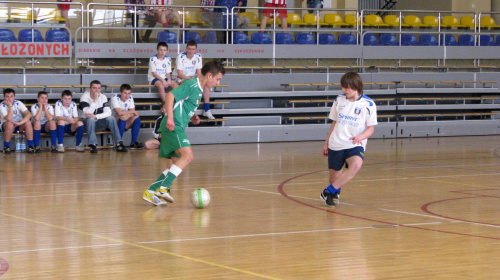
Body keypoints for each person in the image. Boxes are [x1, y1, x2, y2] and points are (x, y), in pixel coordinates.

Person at [142, 60, 225, 206]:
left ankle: (151, 191)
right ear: (210, 75)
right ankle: (163, 189)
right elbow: (170, 96)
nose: (217, 83)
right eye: (218, 79)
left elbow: (182, 104)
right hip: (174, 127)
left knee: (176, 165)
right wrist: (171, 119)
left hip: (176, 125)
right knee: (188, 156)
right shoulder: (191, 84)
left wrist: (192, 116)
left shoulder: (199, 89)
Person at [319, 72, 377, 207]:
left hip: (355, 144)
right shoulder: (338, 100)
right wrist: (326, 143)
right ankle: (333, 191)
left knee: (356, 165)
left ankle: (329, 191)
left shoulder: (368, 104)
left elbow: (371, 128)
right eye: (342, 87)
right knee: (335, 177)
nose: (343, 90)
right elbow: (334, 122)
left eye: (346, 88)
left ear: (356, 86)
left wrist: (360, 137)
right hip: (336, 143)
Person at [79, 80, 128, 154]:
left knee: (111, 118)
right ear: (90, 89)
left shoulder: (103, 97)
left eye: (99, 88)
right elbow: (88, 113)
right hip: (86, 124)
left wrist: (96, 116)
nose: (97, 90)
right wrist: (95, 100)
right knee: (90, 119)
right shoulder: (84, 97)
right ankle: (93, 145)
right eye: (94, 88)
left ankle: (119, 143)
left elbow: (108, 113)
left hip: (98, 122)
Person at [172, 40, 215, 119]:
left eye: (193, 49)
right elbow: (180, 74)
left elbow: (199, 73)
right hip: (179, 78)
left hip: (192, 77)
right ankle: (186, 110)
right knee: (189, 86)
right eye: (189, 49)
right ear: (186, 49)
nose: (191, 51)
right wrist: (190, 79)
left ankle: (207, 109)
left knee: (205, 86)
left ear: (196, 50)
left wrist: (201, 81)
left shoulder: (198, 56)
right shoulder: (180, 57)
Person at [0, 88, 35, 154]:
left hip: (18, 124)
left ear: (14, 97)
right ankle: (6, 147)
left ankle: (31, 146)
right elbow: (9, 118)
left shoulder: (18, 103)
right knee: (9, 124)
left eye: (11, 96)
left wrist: (19, 123)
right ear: (4, 97)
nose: (9, 98)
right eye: (7, 96)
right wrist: (10, 106)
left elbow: (29, 114)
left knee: (28, 122)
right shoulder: (2, 105)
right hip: (6, 125)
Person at [110, 84, 144, 149]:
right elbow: (119, 112)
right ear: (120, 93)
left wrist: (128, 115)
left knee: (136, 118)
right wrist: (132, 112)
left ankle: (133, 143)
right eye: (125, 93)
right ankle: (119, 143)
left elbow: (135, 113)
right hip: (111, 123)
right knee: (122, 118)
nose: (127, 96)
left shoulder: (130, 97)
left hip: (122, 121)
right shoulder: (114, 97)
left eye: (129, 93)